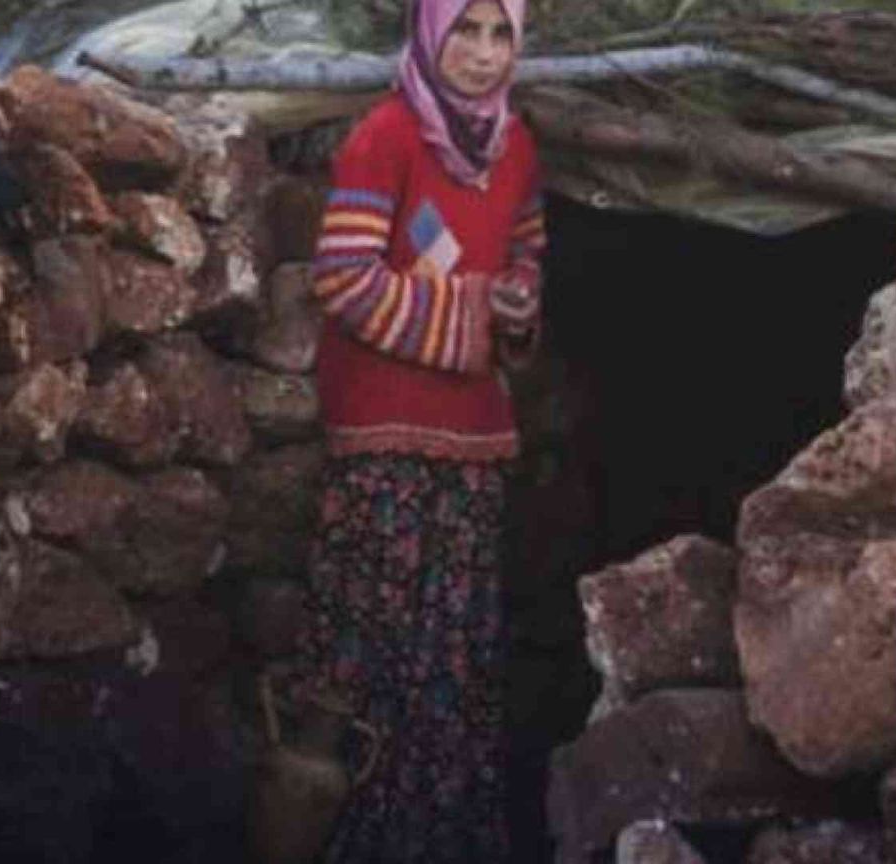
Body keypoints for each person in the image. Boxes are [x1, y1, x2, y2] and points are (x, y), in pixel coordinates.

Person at [288, 0, 544, 857]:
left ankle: (434, 838)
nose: (483, 52)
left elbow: (526, 259)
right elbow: (344, 278)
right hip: (384, 442)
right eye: (464, 29)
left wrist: (516, 304)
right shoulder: (386, 136)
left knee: (453, 651)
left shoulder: (517, 149)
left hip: (473, 441)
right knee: (373, 642)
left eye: (500, 32)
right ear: (431, 33)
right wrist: (469, 311)